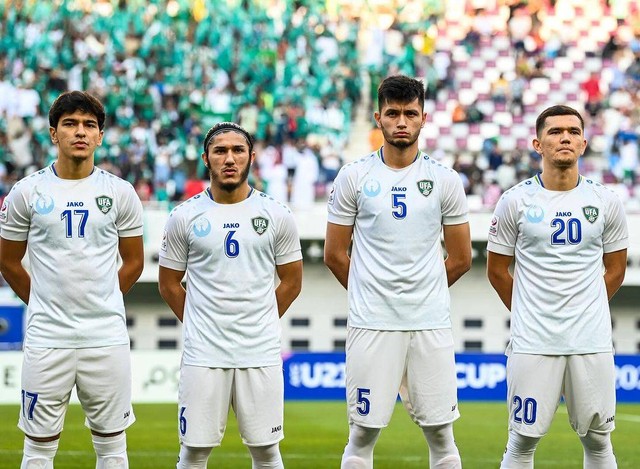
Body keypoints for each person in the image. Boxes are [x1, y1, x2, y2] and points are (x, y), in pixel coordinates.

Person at [324, 75, 472, 469]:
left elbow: (460, 258)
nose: (401, 121)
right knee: (362, 434)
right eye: (393, 113)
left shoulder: (445, 180)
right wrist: (368, 294)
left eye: (410, 113)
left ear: (423, 118)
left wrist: (424, 292)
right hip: (372, 324)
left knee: (441, 434)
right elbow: (335, 253)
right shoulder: (354, 177)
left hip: (428, 323)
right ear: (378, 118)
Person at [0, 90, 144, 469]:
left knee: (113, 450)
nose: (80, 132)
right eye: (70, 124)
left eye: (89, 125)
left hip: (105, 337)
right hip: (48, 337)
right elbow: (9, 262)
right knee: (37, 452)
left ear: (99, 136)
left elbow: (133, 262)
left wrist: (103, 300)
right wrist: (47, 302)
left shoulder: (120, 193)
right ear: (53, 133)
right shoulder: (26, 192)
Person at [486, 105, 628, 469]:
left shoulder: (606, 202)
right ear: (538, 143)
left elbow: (615, 269)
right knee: (522, 441)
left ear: (583, 142)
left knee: (598, 442)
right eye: (554, 132)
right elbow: (497, 271)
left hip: (590, 340)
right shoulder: (514, 201)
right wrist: (529, 313)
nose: (564, 137)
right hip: (533, 341)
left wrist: (587, 308)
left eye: (572, 131)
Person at [158, 122, 303, 469]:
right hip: (204, 352)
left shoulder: (277, 215)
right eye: (220, 151)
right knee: (193, 452)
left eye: (238, 150)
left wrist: (260, 319)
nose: (229, 158)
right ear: (206, 158)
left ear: (251, 157)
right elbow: (168, 284)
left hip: (260, 350)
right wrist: (201, 322)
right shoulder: (184, 216)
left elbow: (292, 282)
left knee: (267, 451)